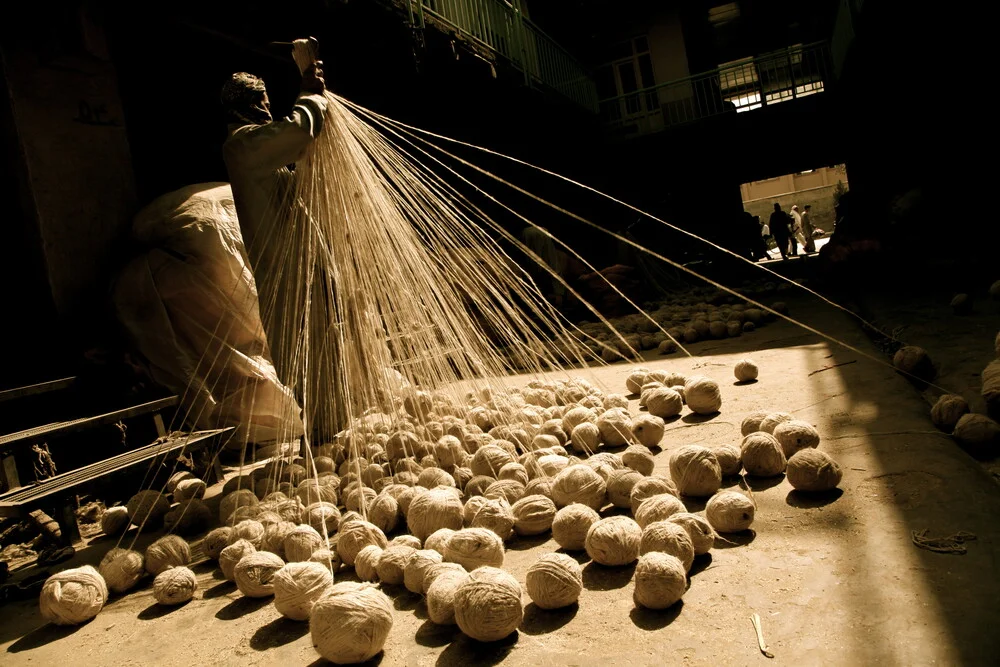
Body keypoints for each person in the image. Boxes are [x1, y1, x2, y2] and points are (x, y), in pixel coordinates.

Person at [220, 58, 338, 439]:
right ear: (247, 105)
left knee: (325, 353)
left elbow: (301, 153)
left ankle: (331, 433)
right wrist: (308, 89)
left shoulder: (261, 152)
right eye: (263, 101)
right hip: (284, 274)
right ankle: (321, 440)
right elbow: (299, 131)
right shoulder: (242, 147)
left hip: (301, 268)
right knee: (305, 358)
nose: (268, 108)